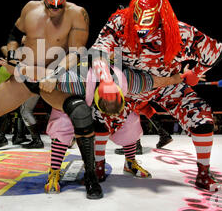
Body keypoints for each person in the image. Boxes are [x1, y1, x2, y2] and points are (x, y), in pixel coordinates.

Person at [0, 0, 103, 199]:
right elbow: (14, 34)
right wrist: (13, 53)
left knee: (81, 113)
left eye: (59, 5)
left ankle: (91, 177)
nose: (55, 9)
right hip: (26, 75)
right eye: (51, 5)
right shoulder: (30, 8)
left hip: (55, 79)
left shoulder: (77, 13)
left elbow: (76, 52)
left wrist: (54, 74)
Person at [90, 0, 222, 193]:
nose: (141, 34)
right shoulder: (120, 22)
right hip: (132, 84)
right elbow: (98, 50)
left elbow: (215, 51)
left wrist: (196, 73)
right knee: (101, 111)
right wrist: (105, 80)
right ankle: (98, 166)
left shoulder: (181, 32)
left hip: (167, 85)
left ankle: (203, 174)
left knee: (202, 117)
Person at [44, 60, 182, 192]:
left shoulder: (130, 79)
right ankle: (54, 170)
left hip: (105, 95)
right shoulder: (73, 80)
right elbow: (43, 84)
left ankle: (130, 162)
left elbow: (157, 81)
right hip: (79, 97)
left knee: (130, 119)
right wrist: (50, 78)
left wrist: (178, 78)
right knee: (62, 120)